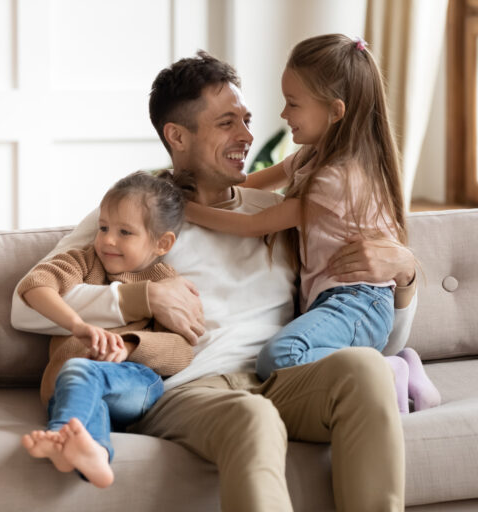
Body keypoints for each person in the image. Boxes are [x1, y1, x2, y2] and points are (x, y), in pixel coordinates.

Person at [12, 47, 416, 511]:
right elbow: (24, 307)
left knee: (364, 369)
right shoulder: (135, 216)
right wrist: (144, 296)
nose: (248, 135)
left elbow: (370, 333)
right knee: (253, 415)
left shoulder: (282, 214)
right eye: (227, 123)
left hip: (282, 376)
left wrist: (403, 277)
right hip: (191, 390)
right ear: (177, 136)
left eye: (246, 119)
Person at [185, 34, 440, 413]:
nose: (284, 114)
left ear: (335, 111)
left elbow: (257, 223)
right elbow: (250, 183)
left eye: (293, 104)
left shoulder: (336, 179)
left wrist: (185, 210)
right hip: (336, 304)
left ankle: (387, 372)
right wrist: (197, 183)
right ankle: (401, 365)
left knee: (281, 357)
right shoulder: (310, 158)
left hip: (357, 304)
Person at [17, 171, 195, 488]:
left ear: (161, 243)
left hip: (134, 384)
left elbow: (182, 350)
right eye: (103, 228)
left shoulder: (164, 281)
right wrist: (78, 325)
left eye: (125, 232)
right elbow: (35, 285)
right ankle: (93, 454)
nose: (107, 240)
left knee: (82, 371)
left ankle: (59, 436)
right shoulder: (83, 261)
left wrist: (127, 347)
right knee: (79, 387)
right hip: (68, 387)